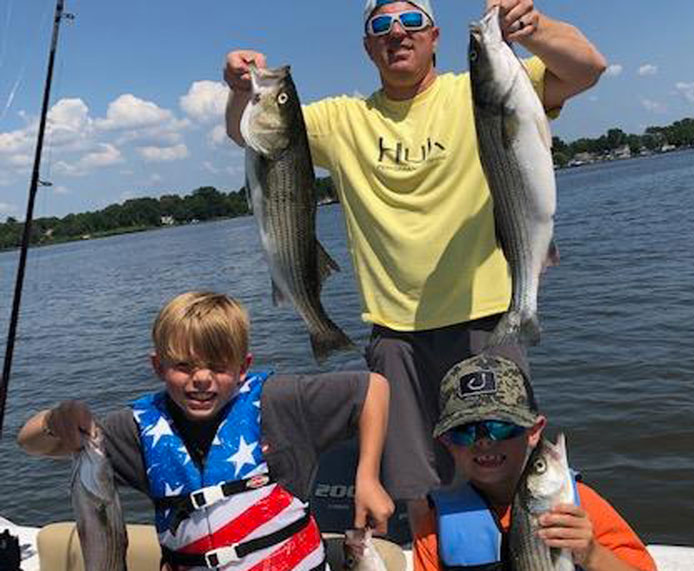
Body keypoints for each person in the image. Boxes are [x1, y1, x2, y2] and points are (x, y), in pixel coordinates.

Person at [224, 0, 607, 536]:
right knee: (416, 485)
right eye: (381, 26)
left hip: (490, 319)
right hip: (394, 336)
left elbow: (585, 68)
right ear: (367, 47)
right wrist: (242, 90)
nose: (396, 34)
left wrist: (535, 28)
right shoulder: (342, 119)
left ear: (435, 37)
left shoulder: (483, 86)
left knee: (511, 475)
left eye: (411, 23)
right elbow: (257, 134)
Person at [18, 291, 394, 571]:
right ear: (158, 367)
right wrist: (57, 420)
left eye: (218, 366)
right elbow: (31, 442)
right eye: (183, 365)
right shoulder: (137, 429)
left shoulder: (281, 401)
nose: (201, 378)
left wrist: (367, 476)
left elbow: (372, 388)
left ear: (243, 367)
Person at [413, 353, 657, 571]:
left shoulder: (580, 507)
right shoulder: (435, 526)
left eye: (501, 427)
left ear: (533, 431)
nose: (485, 441)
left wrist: (592, 554)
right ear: (446, 442)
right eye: (464, 431)